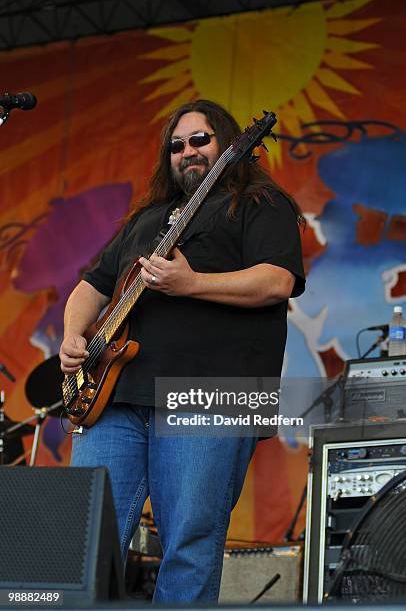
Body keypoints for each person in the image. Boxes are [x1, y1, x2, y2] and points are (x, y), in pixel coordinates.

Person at [59, 99, 305, 603]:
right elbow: (93, 286)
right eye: (177, 145)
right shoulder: (146, 219)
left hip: (211, 394)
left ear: (229, 145)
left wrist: (190, 283)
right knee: (81, 543)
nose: (187, 151)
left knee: (188, 544)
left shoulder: (261, 203)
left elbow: (277, 280)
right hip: (115, 396)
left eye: (200, 140)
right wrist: (73, 335)